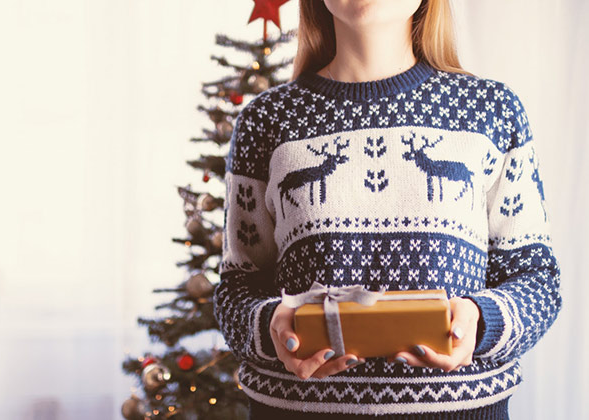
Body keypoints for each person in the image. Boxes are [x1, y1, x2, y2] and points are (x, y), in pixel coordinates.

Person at [213, 0, 563, 418]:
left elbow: (538, 279)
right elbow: (238, 287)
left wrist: (479, 319)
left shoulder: (491, 111)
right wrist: (271, 325)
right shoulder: (265, 121)